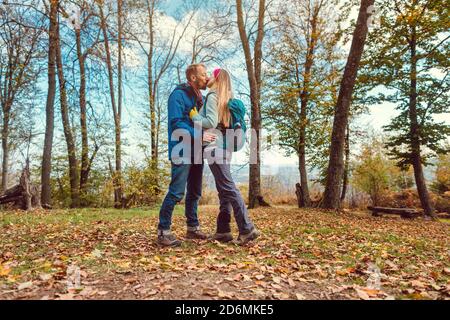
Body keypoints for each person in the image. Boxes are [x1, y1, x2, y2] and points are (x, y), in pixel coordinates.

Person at [189, 68, 260, 244]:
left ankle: (247, 228)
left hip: (215, 147)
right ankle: (223, 230)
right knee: (224, 190)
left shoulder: (213, 96)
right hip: (225, 149)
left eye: (211, 75)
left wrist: (195, 116)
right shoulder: (226, 99)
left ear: (217, 79)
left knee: (227, 188)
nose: (208, 77)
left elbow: (210, 122)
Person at [157, 63, 216, 247]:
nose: (206, 77)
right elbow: (176, 123)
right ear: (192, 78)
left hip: (196, 150)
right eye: (203, 74)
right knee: (176, 192)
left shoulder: (199, 97)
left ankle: (192, 228)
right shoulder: (178, 95)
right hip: (181, 149)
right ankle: (163, 232)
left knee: (195, 192)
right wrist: (200, 135)